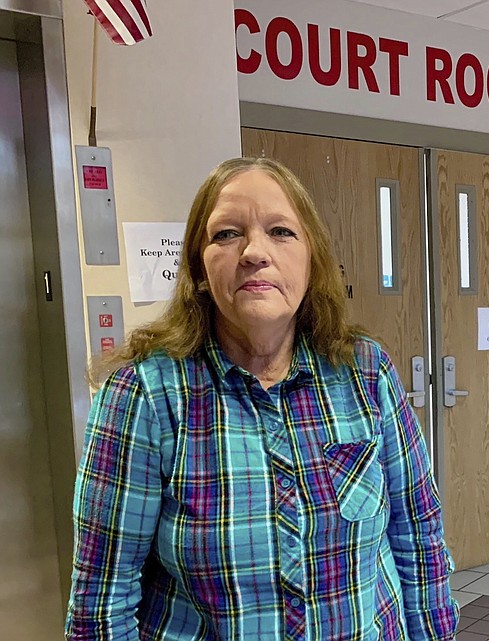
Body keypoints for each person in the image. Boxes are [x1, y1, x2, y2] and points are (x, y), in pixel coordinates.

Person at [66, 158, 459, 640]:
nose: (254, 251)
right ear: (200, 270)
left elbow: (418, 536)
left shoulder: (364, 373)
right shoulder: (144, 396)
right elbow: (101, 601)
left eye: (281, 231)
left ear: (312, 261)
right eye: (227, 234)